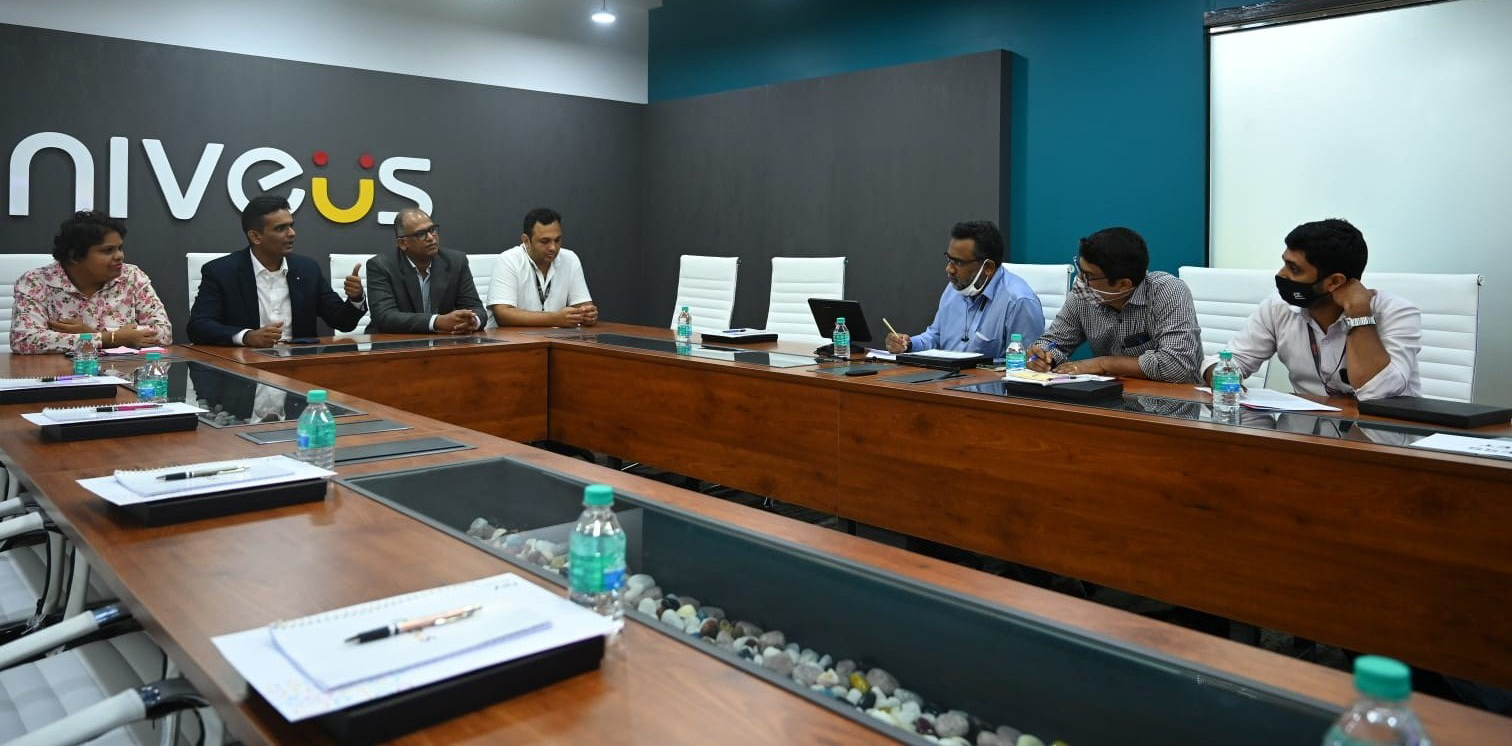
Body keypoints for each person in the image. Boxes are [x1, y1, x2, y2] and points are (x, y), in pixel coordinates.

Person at [1201, 219, 1420, 400]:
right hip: (1306, 428)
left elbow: (1378, 394)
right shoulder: (1278, 308)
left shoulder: (1395, 313)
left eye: (1294, 269)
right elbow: (1225, 363)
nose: (1281, 275)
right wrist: (1223, 378)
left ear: (1334, 282)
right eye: (1285, 263)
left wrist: (1359, 314)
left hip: (1381, 433)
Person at [1027, 227, 1202, 382]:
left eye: (1089, 276)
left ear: (1123, 284)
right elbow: (1054, 342)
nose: (1080, 280)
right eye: (1080, 270)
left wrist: (1103, 364)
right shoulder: (1084, 296)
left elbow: (1176, 365)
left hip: (1173, 400)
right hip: (1109, 397)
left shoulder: (1167, 291)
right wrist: (1043, 356)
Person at [187, 194, 366, 346]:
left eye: (291, 225)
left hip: (299, 365)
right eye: (281, 228)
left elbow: (342, 322)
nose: (292, 233)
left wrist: (356, 298)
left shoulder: (307, 270)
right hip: (245, 365)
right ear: (255, 237)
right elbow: (198, 326)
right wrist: (247, 336)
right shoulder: (221, 272)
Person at [10, 210, 171, 354]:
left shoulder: (132, 276)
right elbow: (24, 339)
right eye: (107, 250)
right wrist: (110, 338)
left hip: (123, 374)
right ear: (74, 256)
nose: (119, 256)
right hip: (62, 374)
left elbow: (163, 333)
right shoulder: (36, 282)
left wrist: (93, 334)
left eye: (120, 248)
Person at [884, 220, 1044, 357]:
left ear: (988, 267)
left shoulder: (1019, 301)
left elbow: (1027, 365)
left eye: (958, 262)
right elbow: (935, 336)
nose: (949, 269)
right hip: (945, 379)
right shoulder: (954, 288)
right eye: (949, 259)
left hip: (987, 384)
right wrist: (908, 344)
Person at [364, 208, 486, 334]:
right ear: (402, 243)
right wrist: (436, 322)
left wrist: (472, 321)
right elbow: (384, 317)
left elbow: (476, 308)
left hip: (443, 340)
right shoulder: (381, 266)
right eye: (420, 234)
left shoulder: (456, 261)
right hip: (393, 341)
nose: (431, 238)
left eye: (432, 230)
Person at [486, 207, 597, 327]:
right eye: (545, 241)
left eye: (557, 240)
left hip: (555, 336)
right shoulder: (508, 260)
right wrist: (554, 319)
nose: (553, 248)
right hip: (512, 337)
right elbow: (503, 315)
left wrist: (587, 313)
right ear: (526, 241)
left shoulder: (570, 259)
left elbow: (583, 305)